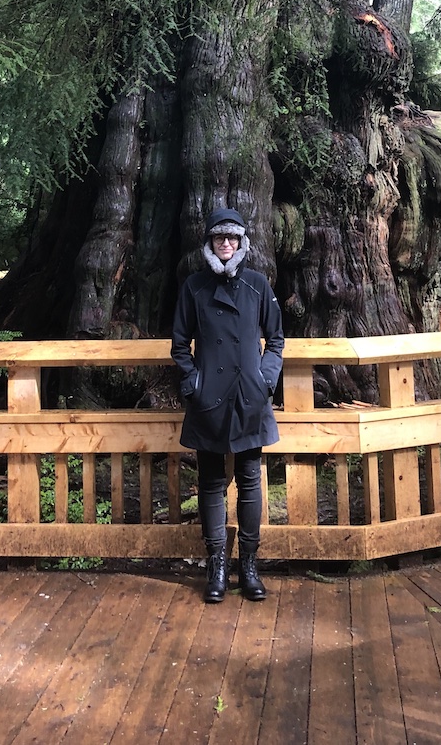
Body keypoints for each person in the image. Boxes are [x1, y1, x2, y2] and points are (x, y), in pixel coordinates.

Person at [171, 206, 285, 603]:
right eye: (220, 237)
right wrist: (193, 382)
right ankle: (216, 566)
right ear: (209, 242)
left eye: (233, 238)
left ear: (241, 243)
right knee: (212, 482)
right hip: (209, 400)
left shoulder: (257, 284)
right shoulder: (194, 287)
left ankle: (249, 567)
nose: (226, 243)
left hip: (249, 397)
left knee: (251, 479)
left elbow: (277, 340)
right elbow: (179, 345)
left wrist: (265, 379)